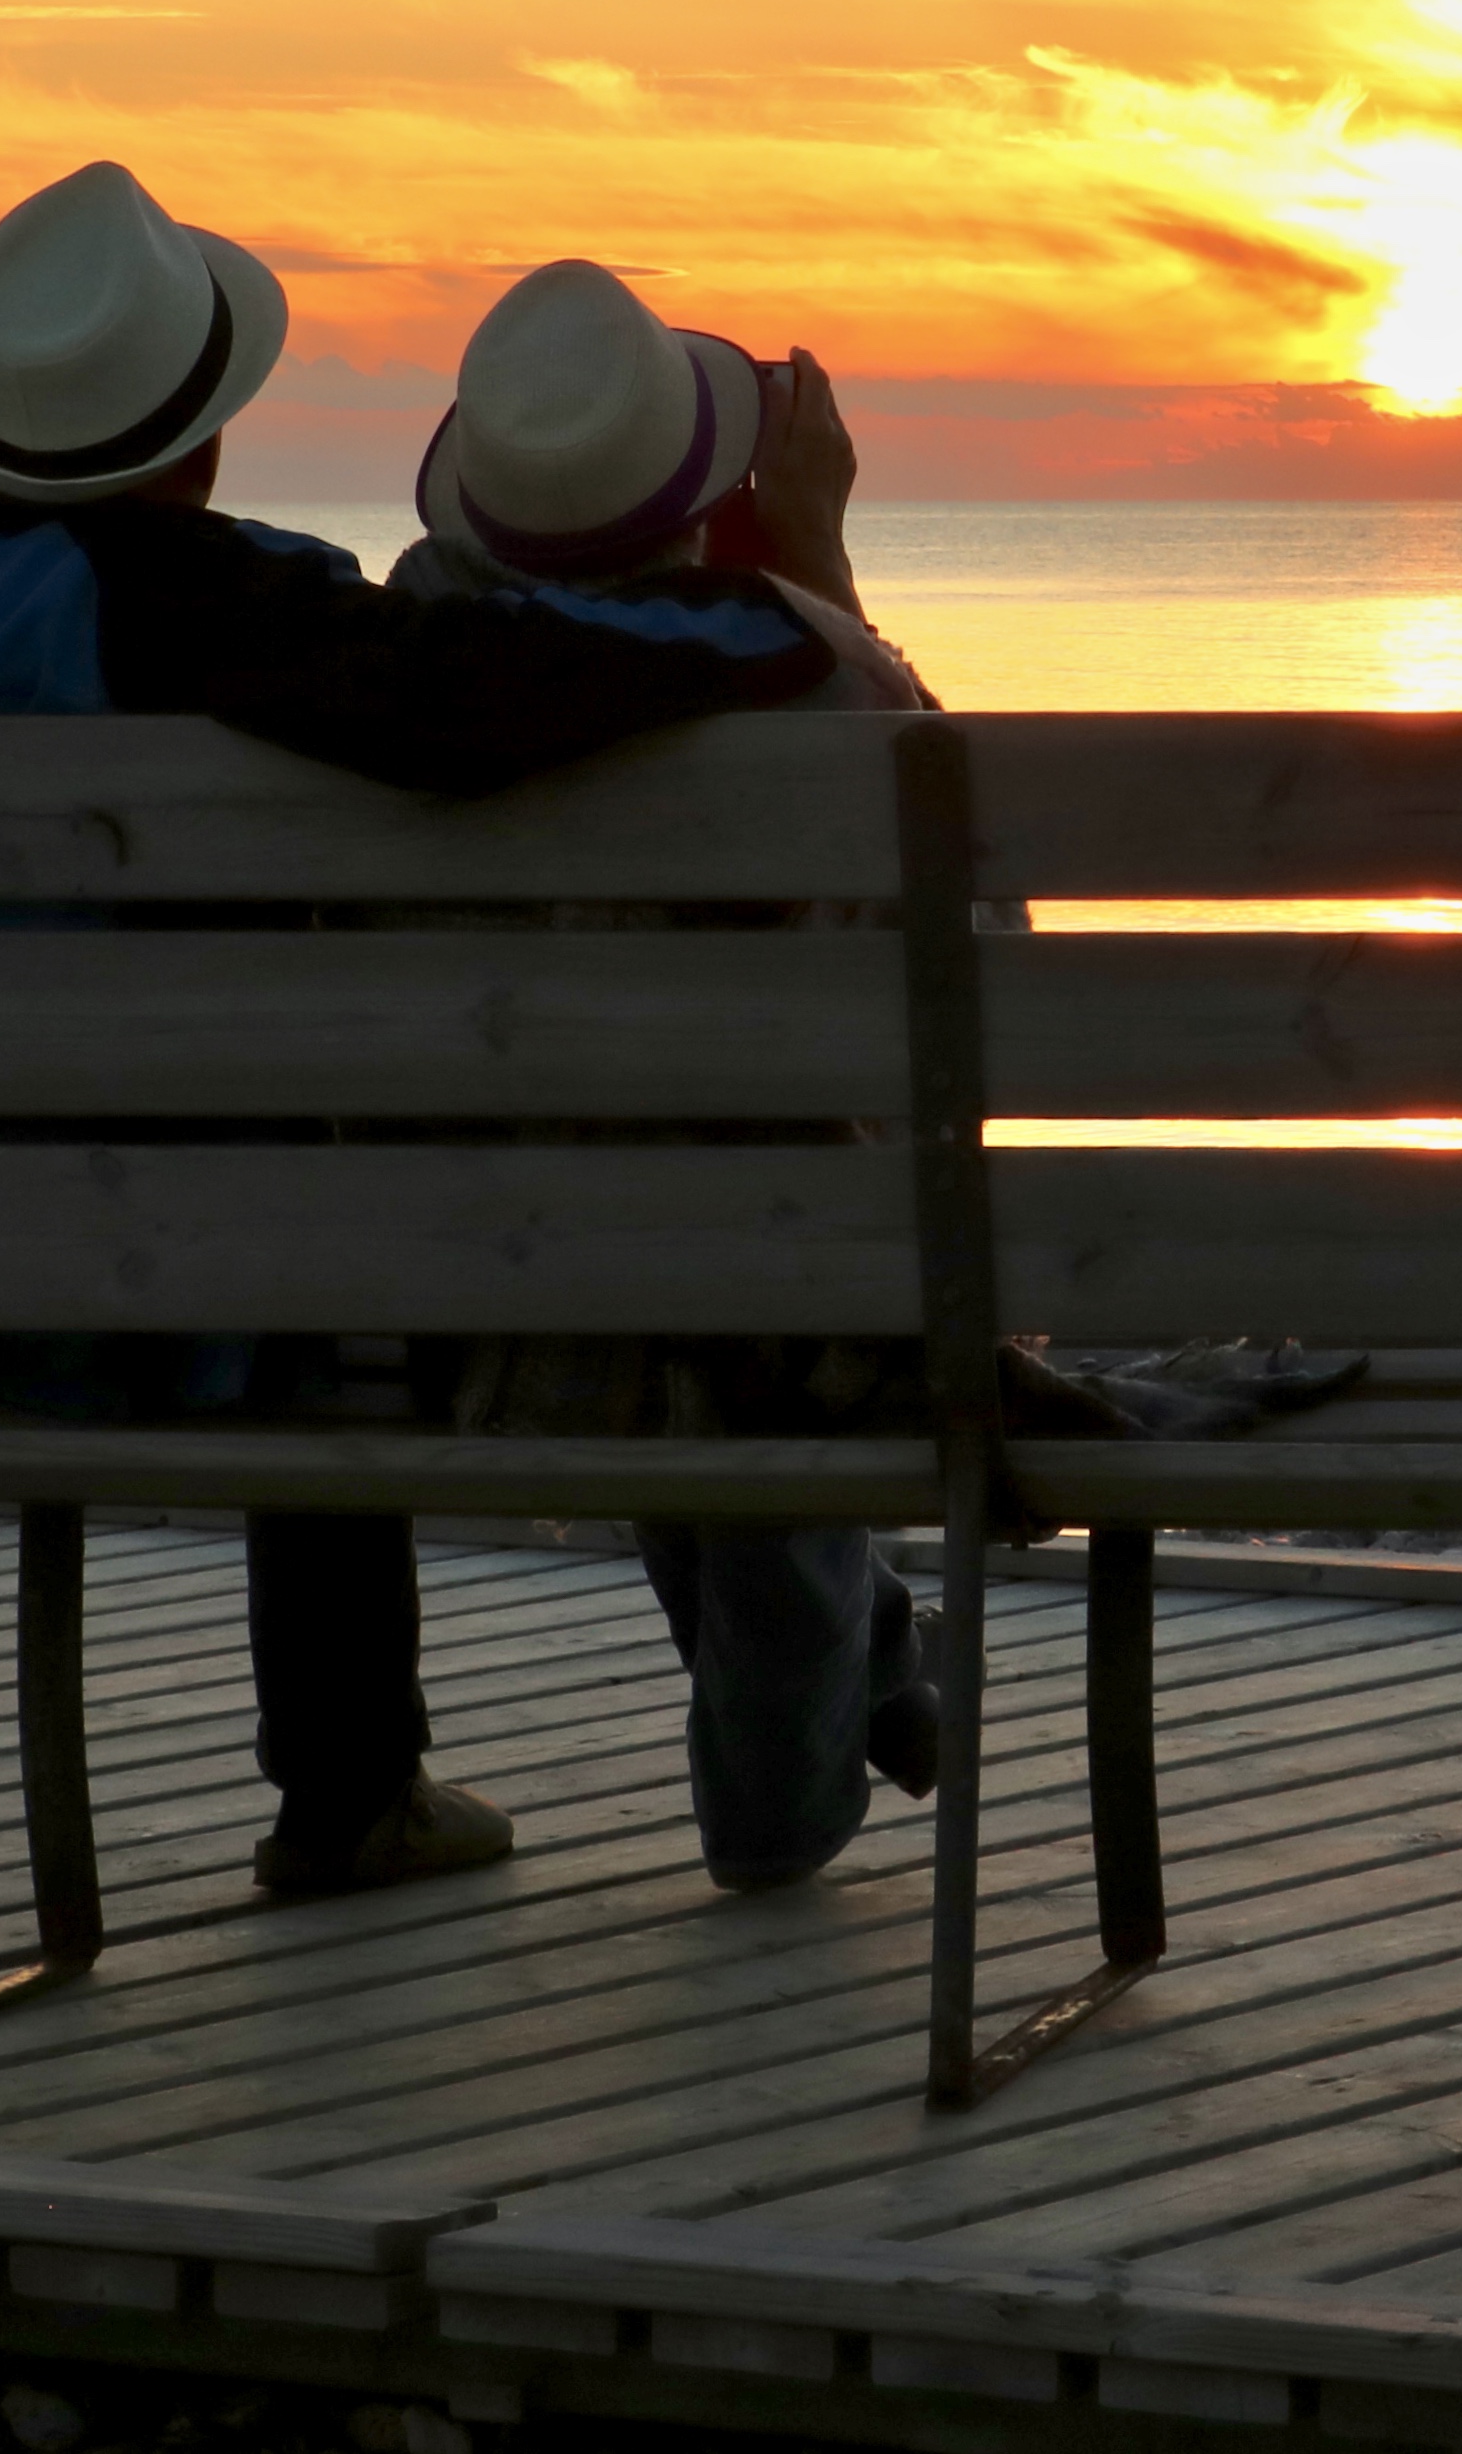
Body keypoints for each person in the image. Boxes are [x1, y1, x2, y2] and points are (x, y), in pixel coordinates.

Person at [0, 163, 854, 1900]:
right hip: (154, 1309)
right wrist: (788, 591)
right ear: (208, 431)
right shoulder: (209, 607)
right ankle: (349, 1792)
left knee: (272, 1203)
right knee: (304, 1228)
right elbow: (487, 690)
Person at [383, 259, 946, 1892]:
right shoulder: (812, 678)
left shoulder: (372, 689)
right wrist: (817, 566)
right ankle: (785, 1794)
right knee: (751, 1232)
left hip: (456, 1314)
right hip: (771, 1315)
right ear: (708, 492)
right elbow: (978, 962)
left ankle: (875, 1674)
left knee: (638, 1198)